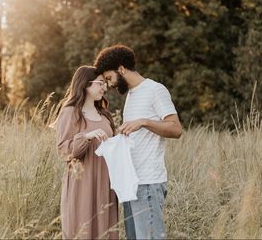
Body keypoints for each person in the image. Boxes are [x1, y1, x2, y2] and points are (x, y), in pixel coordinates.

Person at [94, 45, 183, 240]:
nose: (109, 85)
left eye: (109, 78)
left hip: (148, 183)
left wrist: (143, 122)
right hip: (131, 183)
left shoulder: (154, 90)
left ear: (121, 69)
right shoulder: (131, 96)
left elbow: (176, 129)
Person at [55, 65, 119, 239]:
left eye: (105, 83)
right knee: (82, 229)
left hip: (105, 183)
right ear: (85, 85)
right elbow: (63, 150)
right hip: (82, 183)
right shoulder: (70, 113)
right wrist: (86, 137)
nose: (104, 87)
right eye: (100, 83)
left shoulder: (105, 115)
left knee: (105, 229)